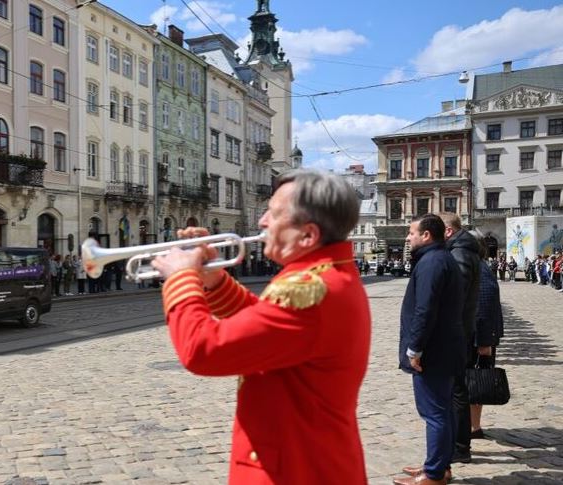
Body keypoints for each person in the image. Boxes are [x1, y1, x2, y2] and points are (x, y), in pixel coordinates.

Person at [151, 170, 371, 484]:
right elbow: (270, 330)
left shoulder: (307, 289)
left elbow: (203, 351)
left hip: (294, 468)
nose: (262, 221)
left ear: (308, 235)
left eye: (274, 214)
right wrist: (213, 282)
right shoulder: (325, 275)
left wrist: (181, 278)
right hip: (311, 457)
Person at [394, 214, 465, 485]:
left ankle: (434, 474)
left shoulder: (432, 262)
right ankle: (438, 465)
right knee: (442, 411)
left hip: (433, 352)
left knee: (434, 413)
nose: (408, 237)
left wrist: (415, 349)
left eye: (412, 233)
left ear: (426, 235)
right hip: (444, 348)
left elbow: (425, 309)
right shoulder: (440, 258)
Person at [439, 212, 481, 465]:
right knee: (457, 390)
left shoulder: (459, 253)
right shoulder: (462, 249)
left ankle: (459, 446)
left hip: (456, 334)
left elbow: (457, 296)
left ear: (448, 231)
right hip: (460, 331)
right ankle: (458, 445)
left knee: (455, 391)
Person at [469, 231, 504, 439]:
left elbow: (485, 302)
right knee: (473, 381)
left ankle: (474, 427)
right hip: (478, 334)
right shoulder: (476, 264)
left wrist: (484, 341)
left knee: (475, 381)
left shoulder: (477, 267)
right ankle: (472, 425)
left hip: (478, 336)